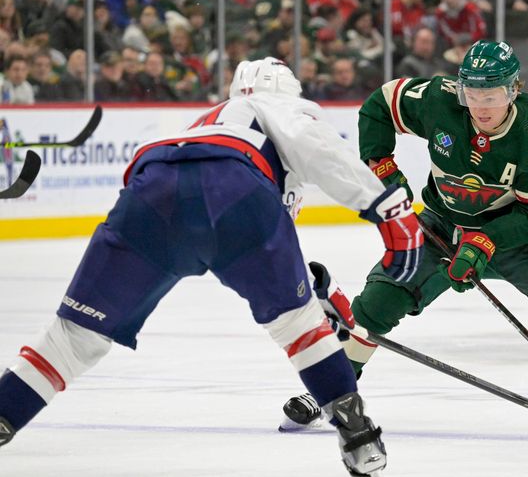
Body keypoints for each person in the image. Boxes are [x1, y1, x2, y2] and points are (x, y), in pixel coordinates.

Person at [0, 56, 427, 477]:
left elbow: (195, 196)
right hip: (234, 188)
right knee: (298, 326)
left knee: (74, 337)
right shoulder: (280, 106)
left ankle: (6, 410)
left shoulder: (205, 120)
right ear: (289, 91)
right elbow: (314, 158)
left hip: (149, 190)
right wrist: (387, 210)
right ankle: (358, 438)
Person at [280, 40, 528, 439]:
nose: (480, 106)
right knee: (378, 302)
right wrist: (385, 168)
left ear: (514, 89)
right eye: (472, 93)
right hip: (442, 225)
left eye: (491, 94)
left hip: (521, 237)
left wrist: (485, 242)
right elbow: (380, 105)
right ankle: (329, 391)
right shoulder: (439, 101)